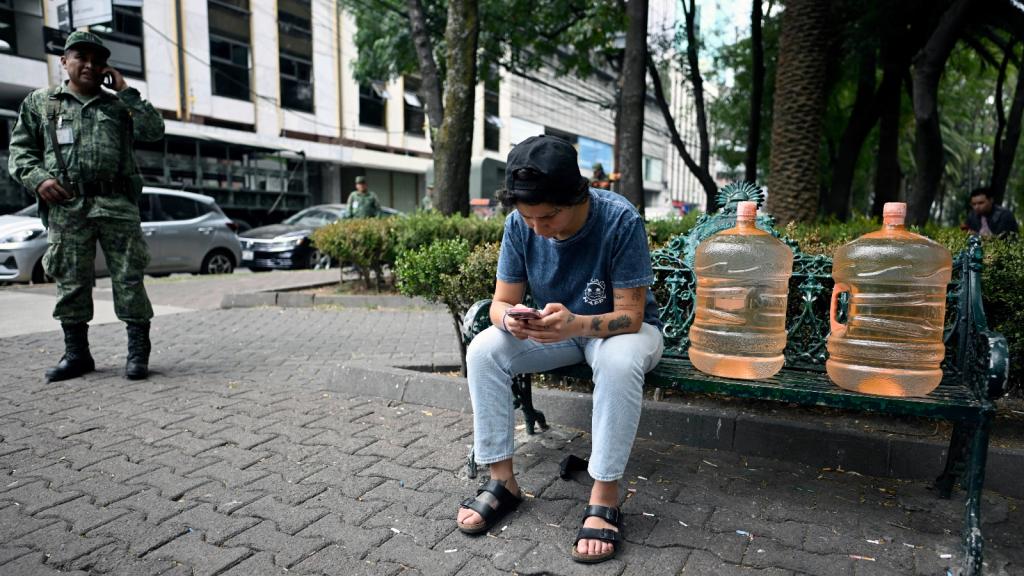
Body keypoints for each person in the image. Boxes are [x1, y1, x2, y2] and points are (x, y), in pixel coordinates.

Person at [456, 135, 664, 564]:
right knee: (483, 350)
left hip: (621, 333)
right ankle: (502, 482)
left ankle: (605, 495)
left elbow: (632, 316)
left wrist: (578, 323)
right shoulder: (520, 224)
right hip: (559, 331)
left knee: (619, 360)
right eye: (527, 217)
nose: (537, 228)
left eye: (548, 216)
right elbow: (500, 301)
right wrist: (509, 319)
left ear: (578, 195)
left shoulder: (619, 219)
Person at [8, 31, 165, 383]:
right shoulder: (41, 103)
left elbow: (154, 130)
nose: (90, 66)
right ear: (64, 61)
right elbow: (20, 152)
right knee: (71, 281)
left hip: (116, 203)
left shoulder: (118, 105)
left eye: (98, 61)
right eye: (81, 57)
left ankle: (138, 354)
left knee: (129, 279)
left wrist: (126, 91)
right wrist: (38, 179)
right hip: (67, 205)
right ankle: (77, 355)